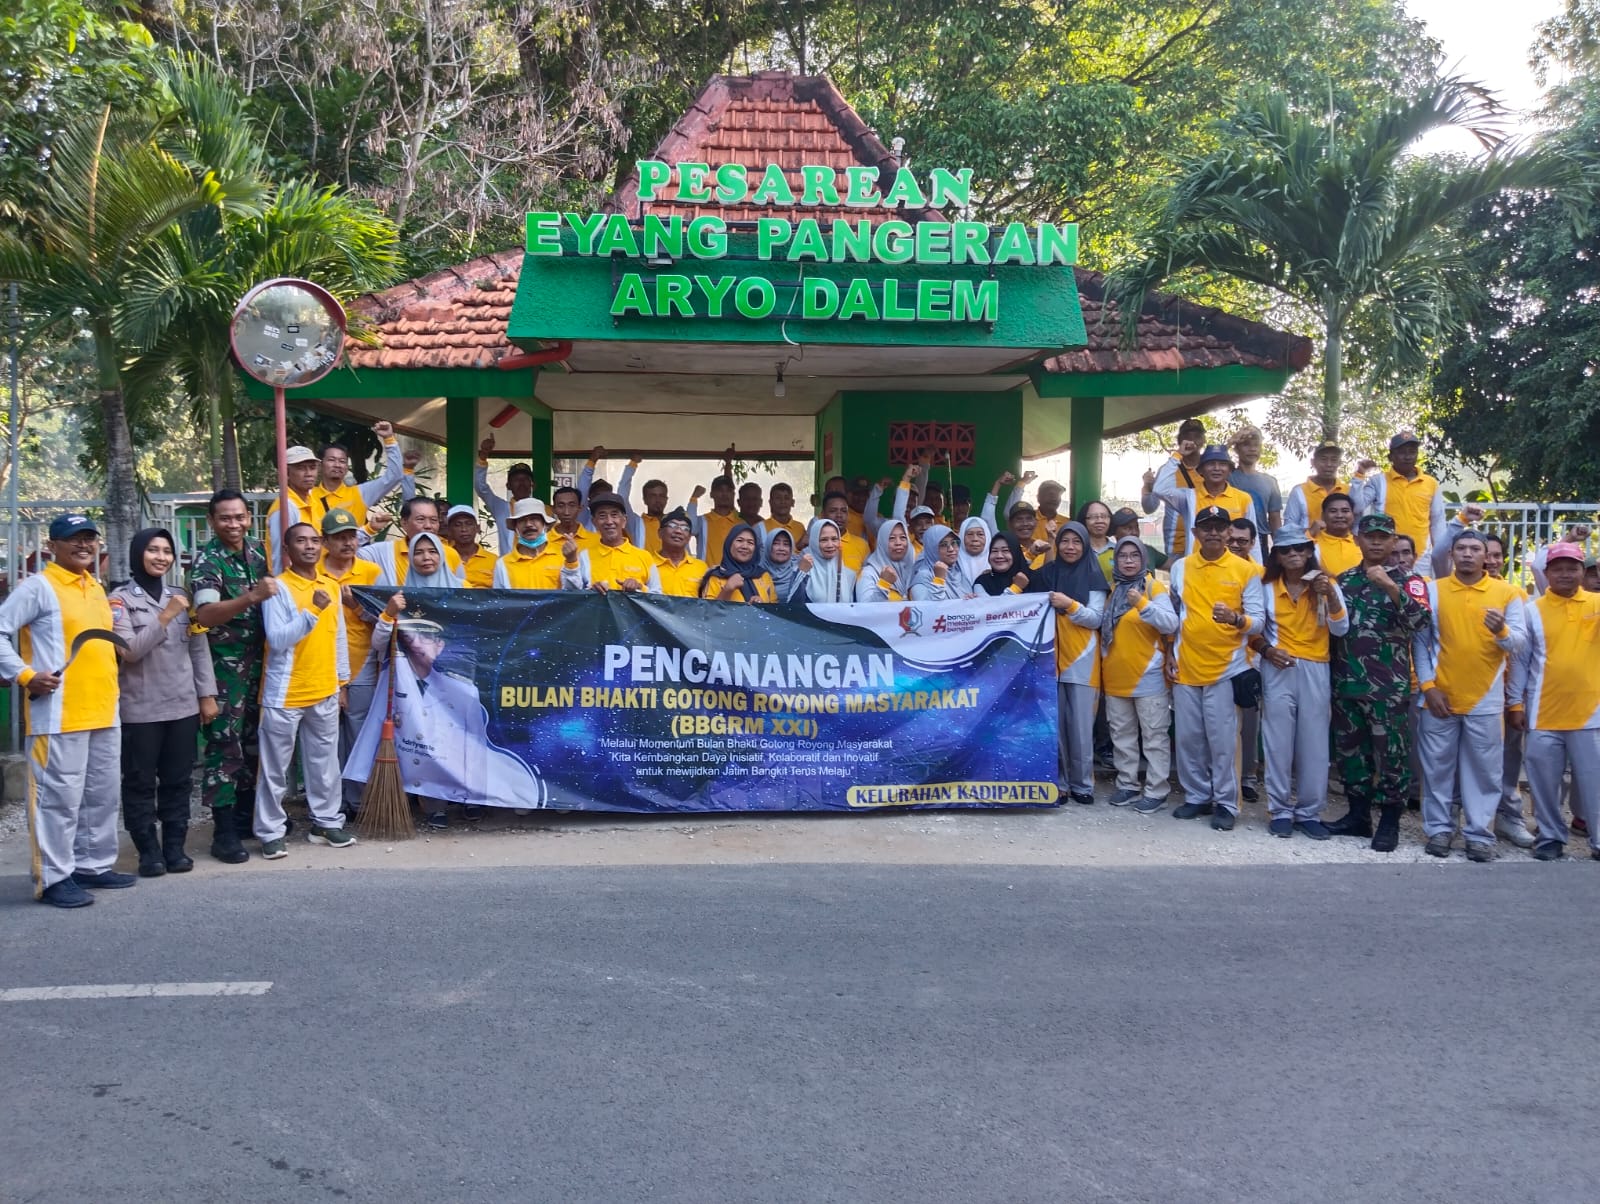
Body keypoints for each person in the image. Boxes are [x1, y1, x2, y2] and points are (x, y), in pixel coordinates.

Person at [0, 514, 132, 907]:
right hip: (57, 715)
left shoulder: (95, 587)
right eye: (73, 538)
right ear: (52, 545)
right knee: (57, 800)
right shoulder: (38, 587)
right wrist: (25, 675)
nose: (83, 545)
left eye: (89, 538)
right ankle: (53, 878)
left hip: (104, 711)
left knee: (101, 796)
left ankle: (92, 865)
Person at [349, 603, 548, 821]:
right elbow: (379, 641)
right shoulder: (390, 677)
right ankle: (407, 806)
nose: (416, 644)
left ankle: (453, 802)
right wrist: (388, 614)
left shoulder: (463, 691)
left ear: (440, 646)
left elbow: (474, 747)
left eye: (426, 638)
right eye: (408, 638)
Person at [1412, 527, 1527, 861]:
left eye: (1475, 549)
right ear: (1451, 554)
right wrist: (1428, 687)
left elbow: (1518, 644)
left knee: (1484, 771)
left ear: (1485, 555)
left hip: (1485, 699)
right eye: (1460, 548)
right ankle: (1440, 830)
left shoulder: (1508, 594)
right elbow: (1420, 643)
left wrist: (1501, 630)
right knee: (1436, 769)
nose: (1467, 554)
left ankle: (1479, 834)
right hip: (1439, 697)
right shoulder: (1433, 591)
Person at [110, 528, 219, 877]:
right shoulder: (119, 601)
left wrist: (207, 695)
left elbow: (199, 649)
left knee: (179, 780)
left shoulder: (181, 596)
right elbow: (128, 651)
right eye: (153, 550)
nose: (161, 557)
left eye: (167, 551)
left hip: (182, 706)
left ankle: (175, 848)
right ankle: (148, 851)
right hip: (140, 710)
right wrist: (166, 616)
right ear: (137, 554)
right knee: (140, 782)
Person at [1324, 514, 1432, 850]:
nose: (1375, 542)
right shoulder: (1342, 581)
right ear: (1357, 540)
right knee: (1352, 753)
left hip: (1388, 688)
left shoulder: (1410, 581)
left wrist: (1389, 585)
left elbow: (1420, 621)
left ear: (1392, 541)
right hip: (1347, 683)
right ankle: (1358, 817)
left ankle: (1389, 822)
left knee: (1391, 757)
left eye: (1382, 537)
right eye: (1369, 536)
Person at [254, 522, 352, 858]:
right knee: (274, 770)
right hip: (285, 693)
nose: (309, 547)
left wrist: (342, 682)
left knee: (325, 766)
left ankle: (326, 822)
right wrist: (312, 610)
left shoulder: (331, 586)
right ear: (288, 548)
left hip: (324, 688)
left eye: (314, 541)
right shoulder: (278, 588)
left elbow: (338, 637)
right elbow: (278, 639)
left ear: (322, 545)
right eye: (301, 541)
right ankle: (270, 831)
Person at [189, 488, 275, 864]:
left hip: (261, 666)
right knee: (225, 747)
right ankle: (222, 832)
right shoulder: (208, 561)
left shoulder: (258, 551)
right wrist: (250, 598)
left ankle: (245, 818)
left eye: (240, 517)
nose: (234, 524)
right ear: (212, 521)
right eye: (225, 517)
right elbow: (205, 615)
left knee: (254, 745)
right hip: (225, 670)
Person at [1167, 505, 1266, 829]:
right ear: (1195, 533)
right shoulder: (1181, 568)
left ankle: (1226, 803)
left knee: (1224, 742)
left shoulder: (1246, 570)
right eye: (1206, 526)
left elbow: (1258, 622)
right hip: (1186, 666)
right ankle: (1196, 796)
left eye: (1219, 527)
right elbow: (1174, 616)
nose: (1213, 532)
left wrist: (1236, 619)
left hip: (1227, 669)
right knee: (1189, 739)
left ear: (1228, 532)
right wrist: (1169, 651)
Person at [1252, 526, 1348, 839]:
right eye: (1285, 550)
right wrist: (1267, 651)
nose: (1293, 555)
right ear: (1276, 556)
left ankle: (1309, 812)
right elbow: (1252, 632)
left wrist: (1330, 595)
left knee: (1315, 744)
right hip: (1278, 666)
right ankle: (1279, 810)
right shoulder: (1265, 586)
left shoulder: (1326, 584)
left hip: (1316, 667)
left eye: (1299, 549)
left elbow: (1341, 628)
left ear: (1309, 551)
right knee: (1277, 742)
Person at [1508, 542, 1600, 861]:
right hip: (1543, 711)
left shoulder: (1597, 604)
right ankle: (1549, 835)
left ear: (1581, 572)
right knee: (1543, 782)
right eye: (1558, 568)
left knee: (1594, 783)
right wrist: (1515, 705)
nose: (1565, 574)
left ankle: (1598, 841)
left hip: (1590, 713)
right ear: (1547, 573)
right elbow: (1520, 661)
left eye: (1572, 568)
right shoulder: (1532, 609)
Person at [1023, 521, 1108, 805]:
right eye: (1065, 542)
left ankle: (1083, 784)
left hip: (1082, 659)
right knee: (1055, 726)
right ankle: (1058, 784)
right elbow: (1021, 582)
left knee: (1081, 728)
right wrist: (1033, 552)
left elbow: (1096, 618)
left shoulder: (1094, 577)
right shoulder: (1048, 573)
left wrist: (1069, 605)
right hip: (1050, 659)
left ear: (1085, 546)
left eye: (1076, 542)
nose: (1070, 547)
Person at [1099, 536, 1178, 812]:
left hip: (1148, 674)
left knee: (1154, 736)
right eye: (1123, 556)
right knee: (1122, 736)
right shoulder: (1111, 589)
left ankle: (1157, 790)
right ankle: (1127, 785)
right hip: (1115, 676)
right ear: (1116, 560)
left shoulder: (1153, 587)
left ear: (1144, 559)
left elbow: (1170, 623)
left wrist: (1142, 604)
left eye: (1135, 555)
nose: (1129, 561)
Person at [319, 507, 383, 818]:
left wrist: (354, 606)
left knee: (358, 734)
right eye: (339, 538)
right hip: (320, 665)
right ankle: (331, 802)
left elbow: (382, 620)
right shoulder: (314, 572)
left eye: (351, 537)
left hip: (361, 663)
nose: (347, 543)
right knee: (326, 738)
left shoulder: (370, 573)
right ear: (325, 541)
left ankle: (357, 800)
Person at [1153, 444, 1266, 561]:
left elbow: (1253, 538)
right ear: (1201, 470)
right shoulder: (1189, 497)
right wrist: (1177, 455)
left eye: (1222, 464)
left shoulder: (1243, 498)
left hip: (1233, 569)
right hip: (1197, 568)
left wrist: (1257, 573)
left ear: (1230, 470)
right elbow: (1159, 489)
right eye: (1211, 464)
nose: (1216, 468)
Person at [1358, 431, 1446, 572]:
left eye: (1412, 452)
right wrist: (1359, 475)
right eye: (1402, 452)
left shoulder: (1431, 483)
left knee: (1419, 593)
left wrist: (1441, 554)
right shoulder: (1379, 481)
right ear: (1391, 456)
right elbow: (1357, 506)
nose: (1407, 457)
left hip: (1420, 557)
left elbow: (1438, 522)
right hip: (1387, 555)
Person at [1227, 517, 1264, 801]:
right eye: (1232, 540)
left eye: (1242, 541)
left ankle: (1248, 778)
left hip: (1253, 656)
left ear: (1252, 543)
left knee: (1249, 723)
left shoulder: (1261, 574)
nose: (1236, 545)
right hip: (1218, 656)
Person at [560, 492, 661, 593]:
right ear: (594, 522)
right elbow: (571, 595)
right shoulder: (584, 556)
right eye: (602, 516)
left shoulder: (644, 557)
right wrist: (591, 591)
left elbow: (657, 597)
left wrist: (639, 588)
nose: (609, 521)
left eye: (614, 515)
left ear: (624, 521)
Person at [310, 421, 405, 528]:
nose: (337, 465)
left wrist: (389, 439)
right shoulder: (308, 495)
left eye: (342, 461)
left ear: (347, 467)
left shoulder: (360, 493)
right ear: (320, 464)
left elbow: (395, 475)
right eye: (332, 460)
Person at [359, 496, 465, 584]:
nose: (428, 526)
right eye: (420, 519)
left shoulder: (450, 554)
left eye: (433, 520)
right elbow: (344, 556)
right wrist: (369, 530)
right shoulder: (381, 552)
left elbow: (462, 595)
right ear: (404, 523)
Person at [1143, 418, 1206, 557]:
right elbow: (1149, 508)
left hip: (1206, 542)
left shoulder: (1211, 468)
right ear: (1180, 441)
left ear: (1203, 440)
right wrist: (1147, 487)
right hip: (1177, 546)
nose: (1192, 440)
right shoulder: (1169, 469)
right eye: (1187, 436)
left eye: (1197, 435)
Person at [263, 444, 323, 574]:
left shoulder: (313, 500)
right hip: (293, 582)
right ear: (287, 473)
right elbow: (279, 554)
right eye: (301, 468)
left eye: (312, 468)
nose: (308, 474)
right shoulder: (285, 507)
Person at [473, 435, 536, 554]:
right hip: (507, 569)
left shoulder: (542, 509)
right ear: (508, 485)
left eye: (525, 479)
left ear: (533, 484)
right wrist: (483, 456)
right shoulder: (500, 507)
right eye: (516, 479)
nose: (521, 483)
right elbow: (480, 487)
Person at [492, 498, 564, 589]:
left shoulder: (562, 558)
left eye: (534, 519)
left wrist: (571, 563)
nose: (528, 524)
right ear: (515, 528)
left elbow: (571, 595)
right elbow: (501, 600)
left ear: (545, 525)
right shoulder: (503, 564)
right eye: (522, 520)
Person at [1228, 425, 1283, 541]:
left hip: (1260, 538)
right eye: (1246, 444)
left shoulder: (1270, 482)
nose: (1252, 449)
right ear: (1237, 448)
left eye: (1256, 445)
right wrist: (1230, 442)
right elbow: (1207, 465)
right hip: (1232, 537)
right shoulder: (1227, 478)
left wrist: (1279, 547)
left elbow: (1275, 519)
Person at [698, 524, 777, 602]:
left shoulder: (763, 576)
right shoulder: (716, 577)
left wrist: (762, 607)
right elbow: (708, 612)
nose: (745, 546)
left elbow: (774, 611)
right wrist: (727, 589)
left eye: (750, 543)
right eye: (739, 540)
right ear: (729, 544)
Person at [1283, 442, 1349, 532]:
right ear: (1313, 462)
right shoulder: (1299, 492)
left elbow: (1356, 526)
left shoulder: (1348, 491)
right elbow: (1288, 530)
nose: (1328, 464)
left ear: (1339, 463)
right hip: (1310, 545)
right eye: (1323, 459)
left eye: (1333, 460)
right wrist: (1311, 531)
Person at [793, 518, 858, 604]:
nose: (830, 545)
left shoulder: (849, 575)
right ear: (814, 542)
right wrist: (801, 573)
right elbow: (794, 605)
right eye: (823, 540)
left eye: (834, 539)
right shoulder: (803, 571)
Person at [651, 508, 708, 597]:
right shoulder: (648, 563)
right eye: (672, 525)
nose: (678, 531)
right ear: (660, 533)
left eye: (685, 528)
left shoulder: (701, 568)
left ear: (689, 537)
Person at [856, 518, 917, 602]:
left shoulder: (914, 571)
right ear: (882, 543)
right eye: (891, 538)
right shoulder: (869, 573)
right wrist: (884, 584)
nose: (898, 543)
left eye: (903, 537)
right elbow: (865, 609)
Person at [910, 525, 977, 601]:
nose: (951, 549)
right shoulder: (923, 576)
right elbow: (925, 609)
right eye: (943, 545)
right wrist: (939, 580)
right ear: (932, 549)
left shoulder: (959, 572)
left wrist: (970, 601)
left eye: (954, 543)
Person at [689, 470, 741, 561]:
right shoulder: (703, 521)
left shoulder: (741, 524)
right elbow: (691, 528)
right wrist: (694, 498)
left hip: (734, 575)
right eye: (720, 490)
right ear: (711, 494)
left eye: (728, 491)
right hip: (707, 574)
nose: (724, 494)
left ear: (733, 495)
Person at [444, 505, 496, 588]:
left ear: (477, 528)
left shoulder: (494, 561)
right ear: (449, 530)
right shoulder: (442, 558)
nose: (464, 529)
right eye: (457, 525)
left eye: (469, 524)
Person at [820, 491, 870, 574]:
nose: (839, 515)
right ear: (822, 515)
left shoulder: (862, 545)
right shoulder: (815, 545)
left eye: (843, 511)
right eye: (833, 511)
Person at [1314, 494, 1362, 576]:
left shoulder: (1362, 543)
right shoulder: (1313, 543)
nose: (1339, 516)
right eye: (1333, 511)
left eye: (1345, 511)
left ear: (1353, 515)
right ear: (1323, 516)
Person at [973, 532, 1030, 597]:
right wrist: (1016, 588)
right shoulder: (982, 582)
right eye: (994, 551)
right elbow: (988, 606)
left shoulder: (1031, 578)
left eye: (1005, 550)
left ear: (1015, 553)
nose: (999, 556)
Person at [1006, 502, 1054, 569]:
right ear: (1010, 524)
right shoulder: (1005, 549)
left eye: (1029, 519)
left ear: (1036, 522)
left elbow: (1050, 574)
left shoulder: (1041, 547)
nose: (1025, 523)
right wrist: (1031, 554)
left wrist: (1051, 539)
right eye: (1019, 519)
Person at [1076, 500, 1116, 579]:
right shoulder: (1075, 549)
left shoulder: (1118, 550)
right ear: (1084, 520)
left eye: (1104, 516)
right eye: (1094, 517)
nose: (1099, 521)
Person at [761, 526, 801, 601]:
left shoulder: (799, 571)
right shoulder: (756, 571)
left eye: (786, 544)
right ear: (768, 546)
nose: (781, 548)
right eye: (776, 543)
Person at [764, 483, 806, 548]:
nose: (782, 501)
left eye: (786, 498)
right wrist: (797, 547)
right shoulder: (761, 528)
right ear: (770, 502)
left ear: (792, 502)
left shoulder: (800, 528)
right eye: (778, 498)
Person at [957, 517, 991, 585]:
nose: (975, 539)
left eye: (980, 534)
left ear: (987, 537)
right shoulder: (954, 562)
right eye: (969, 534)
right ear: (961, 537)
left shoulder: (996, 560)